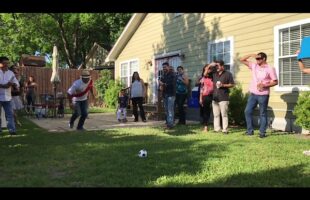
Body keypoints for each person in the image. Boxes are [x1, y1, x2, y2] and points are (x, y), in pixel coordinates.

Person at [240, 52, 278, 138]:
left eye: (259, 58)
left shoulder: (270, 68)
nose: (257, 60)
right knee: (247, 111)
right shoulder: (254, 66)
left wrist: (264, 85)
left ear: (264, 58)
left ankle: (262, 132)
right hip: (253, 94)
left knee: (262, 113)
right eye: (256, 58)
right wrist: (250, 55)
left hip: (263, 95)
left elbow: (275, 81)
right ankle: (250, 131)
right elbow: (241, 60)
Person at [211, 60, 235, 134]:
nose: (216, 67)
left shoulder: (228, 74)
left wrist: (223, 85)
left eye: (217, 65)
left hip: (224, 97)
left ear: (222, 66)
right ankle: (217, 129)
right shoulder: (214, 74)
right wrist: (210, 65)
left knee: (224, 114)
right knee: (216, 115)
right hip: (215, 97)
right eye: (216, 66)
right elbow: (205, 73)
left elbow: (232, 84)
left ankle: (225, 129)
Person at [0, 57, 19, 135]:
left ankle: (12, 130)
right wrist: (4, 86)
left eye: (7, 63)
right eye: (4, 63)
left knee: (10, 114)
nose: (6, 65)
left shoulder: (10, 73)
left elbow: (16, 83)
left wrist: (13, 84)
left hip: (8, 97)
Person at [159, 62, 176, 129]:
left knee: (170, 110)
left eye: (165, 67)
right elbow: (161, 83)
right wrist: (161, 85)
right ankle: (168, 123)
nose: (164, 68)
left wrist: (162, 83)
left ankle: (170, 125)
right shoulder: (164, 75)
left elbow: (169, 84)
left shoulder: (173, 75)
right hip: (165, 94)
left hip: (171, 94)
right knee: (166, 110)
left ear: (168, 67)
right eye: (163, 67)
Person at [199, 64, 214, 132]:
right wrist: (200, 98)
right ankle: (206, 127)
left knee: (214, 111)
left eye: (209, 69)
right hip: (206, 96)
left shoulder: (214, 77)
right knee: (206, 112)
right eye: (206, 69)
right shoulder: (203, 78)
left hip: (214, 95)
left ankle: (217, 126)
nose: (207, 70)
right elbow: (201, 89)